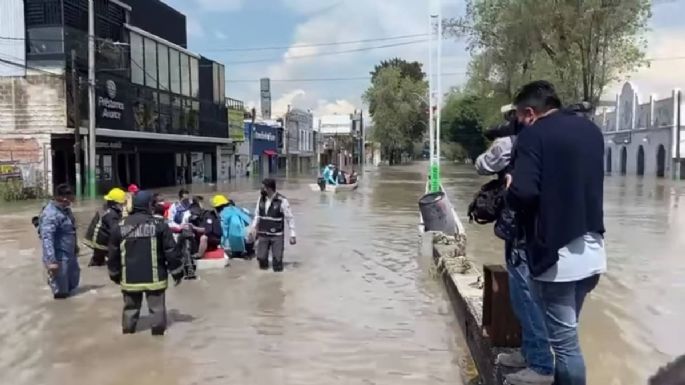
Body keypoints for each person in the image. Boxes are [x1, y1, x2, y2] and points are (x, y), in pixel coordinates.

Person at [506, 80, 606, 385]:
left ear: (529, 112)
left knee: (565, 348)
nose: (519, 124)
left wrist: (509, 188)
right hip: (593, 251)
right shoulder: (592, 131)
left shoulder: (533, 135)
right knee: (567, 336)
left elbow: (523, 193)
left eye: (519, 117)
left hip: (556, 258)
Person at [474, 105, 554, 385]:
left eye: (515, 115)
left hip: (521, 226)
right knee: (524, 293)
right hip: (535, 226)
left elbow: (484, 164)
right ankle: (529, 353)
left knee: (526, 294)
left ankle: (541, 365)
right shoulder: (544, 140)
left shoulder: (513, 142)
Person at [107, 190, 184, 336]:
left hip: (129, 279)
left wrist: (114, 274)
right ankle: (158, 340)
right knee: (157, 310)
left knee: (130, 310)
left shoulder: (119, 226)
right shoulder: (160, 225)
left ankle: (128, 336)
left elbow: (112, 254)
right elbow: (171, 251)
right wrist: (177, 272)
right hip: (155, 279)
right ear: (149, 205)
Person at [38, 183, 80, 299]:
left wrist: (75, 246)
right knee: (61, 293)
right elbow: (47, 238)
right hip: (59, 257)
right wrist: (51, 261)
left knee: (73, 284)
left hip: (70, 253)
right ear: (61, 197)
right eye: (69, 198)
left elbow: (72, 230)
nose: (71, 200)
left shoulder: (66, 210)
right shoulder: (51, 214)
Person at [252, 178, 296, 272]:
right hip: (263, 234)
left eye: (263, 188)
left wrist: (292, 234)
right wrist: (253, 228)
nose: (261, 190)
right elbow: (257, 215)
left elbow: (289, 218)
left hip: (277, 236)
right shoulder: (260, 199)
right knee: (262, 260)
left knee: (277, 264)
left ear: (269, 188)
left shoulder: (282, 201)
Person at [84, 187, 126, 267]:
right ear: (115, 204)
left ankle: (94, 264)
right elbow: (115, 230)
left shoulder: (106, 209)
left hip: (96, 238)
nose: (123, 205)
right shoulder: (111, 214)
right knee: (114, 257)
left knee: (98, 259)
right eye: (121, 204)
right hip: (101, 241)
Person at [216, 194, 254, 258]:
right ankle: (247, 252)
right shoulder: (241, 211)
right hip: (249, 238)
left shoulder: (224, 216)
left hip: (235, 242)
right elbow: (251, 220)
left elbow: (224, 233)